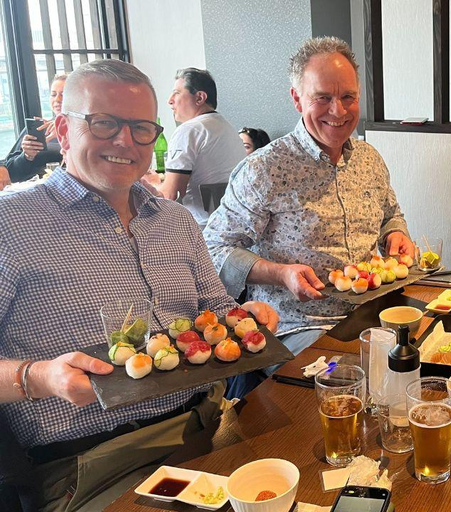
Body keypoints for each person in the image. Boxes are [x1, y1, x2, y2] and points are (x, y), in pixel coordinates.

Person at [0, 59, 278, 511]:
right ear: (64, 130)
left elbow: (216, 305)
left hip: (204, 423)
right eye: (104, 123)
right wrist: (38, 377)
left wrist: (244, 318)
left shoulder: (175, 220)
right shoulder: (10, 223)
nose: (124, 142)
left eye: (141, 128)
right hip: (91, 461)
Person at [204, 37, 413, 396]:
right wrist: (281, 274)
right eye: (323, 98)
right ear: (297, 98)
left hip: (370, 312)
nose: (339, 110)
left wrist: (396, 233)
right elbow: (214, 247)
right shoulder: (264, 169)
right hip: (299, 326)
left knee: (426, 363)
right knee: (354, 384)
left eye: (348, 97)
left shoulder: (369, 159)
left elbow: (390, 214)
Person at [157, 68, 244, 226]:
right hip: (231, 224)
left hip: (201, 230)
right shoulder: (227, 128)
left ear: (199, 98)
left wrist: (149, 183)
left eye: (177, 93)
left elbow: (170, 195)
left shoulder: (189, 130)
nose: (170, 100)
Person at [4, 74, 67, 183]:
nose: (57, 99)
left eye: (64, 94)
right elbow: (11, 173)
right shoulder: (38, 128)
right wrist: (27, 156)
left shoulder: (83, 131)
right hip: (30, 190)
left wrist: (67, 131)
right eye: (53, 94)